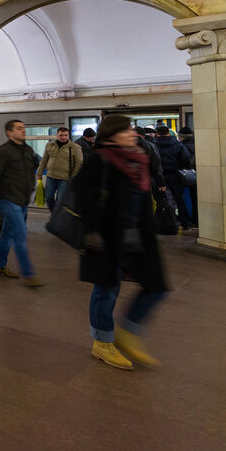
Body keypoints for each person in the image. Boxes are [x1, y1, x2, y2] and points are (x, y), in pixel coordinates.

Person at [73, 114, 168, 370]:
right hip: (107, 237)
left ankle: (128, 332)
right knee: (106, 289)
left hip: (138, 235)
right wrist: (93, 232)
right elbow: (83, 197)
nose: (132, 133)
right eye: (126, 130)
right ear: (112, 134)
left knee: (156, 285)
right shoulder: (100, 159)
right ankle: (102, 342)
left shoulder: (137, 158)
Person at [0, 120, 43, 287]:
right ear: (9, 133)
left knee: (7, 234)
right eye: (19, 128)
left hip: (23, 200)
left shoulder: (28, 150)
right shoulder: (3, 152)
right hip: (8, 200)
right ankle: (29, 275)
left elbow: (30, 171)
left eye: (23, 128)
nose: (23, 130)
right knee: (20, 234)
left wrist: (31, 189)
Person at [153, 124, 193, 232]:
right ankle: (185, 224)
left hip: (159, 177)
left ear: (157, 134)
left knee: (161, 200)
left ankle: (162, 223)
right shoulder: (178, 145)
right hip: (175, 176)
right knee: (180, 200)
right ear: (168, 133)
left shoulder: (153, 145)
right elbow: (186, 159)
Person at [36, 127, 84, 212]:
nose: (63, 137)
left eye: (66, 135)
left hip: (65, 178)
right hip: (51, 176)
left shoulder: (75, 147)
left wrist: (74, 177)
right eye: (61, 135)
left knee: (60, 200)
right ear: (57, 135)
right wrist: (39, 173)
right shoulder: (49, 145)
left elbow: (79, 163)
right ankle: (55, 214)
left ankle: (57, 216)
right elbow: (44, 160)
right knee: (48, 198)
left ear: (68, 135)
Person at [178, 126, 197, 227]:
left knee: (188, 198)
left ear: (182, 137)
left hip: (187, 176)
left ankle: (190, 218)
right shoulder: (197, 144)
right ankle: (196, 219)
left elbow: (184, 161)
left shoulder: (183, 146)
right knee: (196, 198)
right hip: (198, 175)